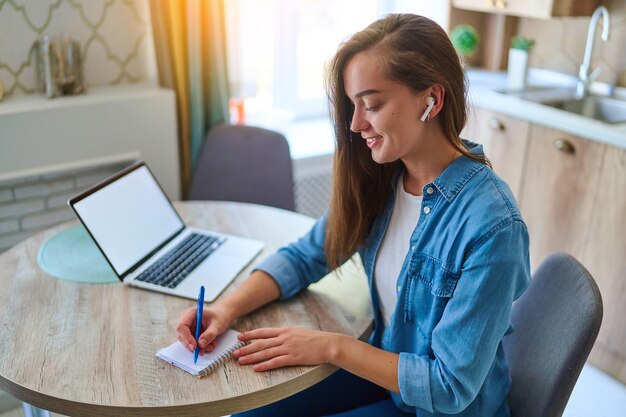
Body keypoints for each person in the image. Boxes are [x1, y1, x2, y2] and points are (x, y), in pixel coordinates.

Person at [176, 13, 530, 417]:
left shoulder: (493, 227)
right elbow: (306, 256)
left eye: (373, 104)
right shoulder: (383, 178)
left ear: (431, 98)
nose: (357, 124)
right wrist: (226, 309)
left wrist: (331, 345)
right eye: (352, 106)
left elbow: (448, 386)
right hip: (387, 374)